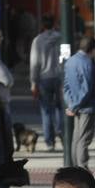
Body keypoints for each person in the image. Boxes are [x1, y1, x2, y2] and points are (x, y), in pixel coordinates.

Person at [64, 34, 95, 169]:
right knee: (83, 140)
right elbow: (86, 90)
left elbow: (66, 85)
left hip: (76, 105)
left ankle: (75, 167)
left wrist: (70, 104)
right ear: (92, 49)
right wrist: (74, 106)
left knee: (76, 138)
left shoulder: (70, 61)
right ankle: (82, 168)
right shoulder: (88, 63)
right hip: (87, 107)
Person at [30, 15, 65, 151]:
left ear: (43, 25)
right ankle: (62, 133)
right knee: (60, 108)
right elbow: (65, 57)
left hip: (44, 79)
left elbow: (35, 64)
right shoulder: (61, 38)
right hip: (59, 77)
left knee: (46, 111)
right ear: (54, 24)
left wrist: (33, 83)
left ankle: (50, 142)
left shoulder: (37, 41)